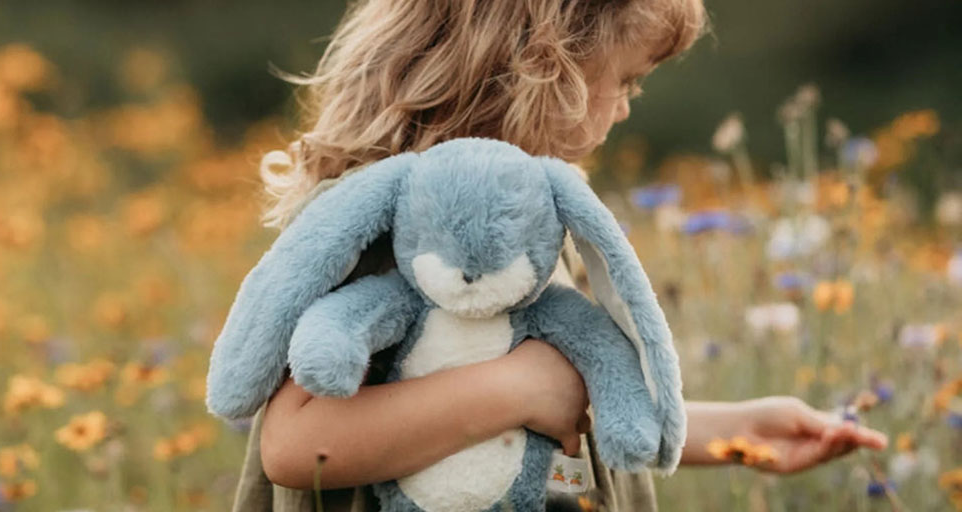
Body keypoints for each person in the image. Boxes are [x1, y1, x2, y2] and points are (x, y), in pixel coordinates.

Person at [225, 0, 888, 510]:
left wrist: (737, 437)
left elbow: (561, 400)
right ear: (541, 64)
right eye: (625, 81)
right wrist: (518, 387)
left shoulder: (536, 229)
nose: (626, 109)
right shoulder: (399, 227)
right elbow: (296, 443)